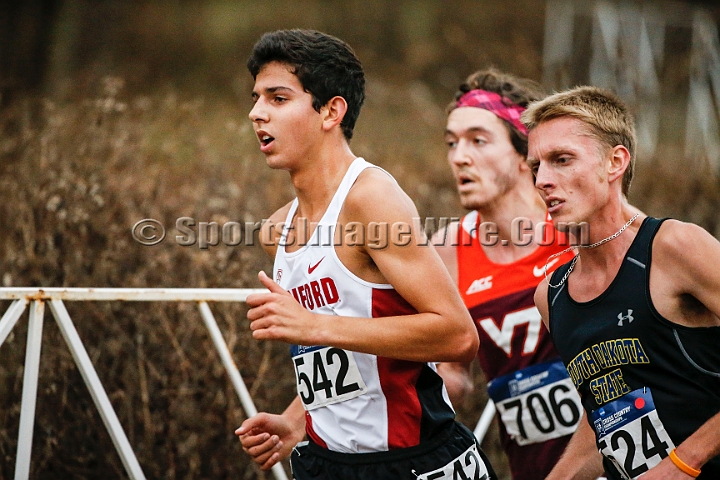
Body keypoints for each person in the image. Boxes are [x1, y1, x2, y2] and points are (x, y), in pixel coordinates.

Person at [234, 29, 497, 480]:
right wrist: (295, 421)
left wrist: (315, 325)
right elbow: (344, 358)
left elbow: (457, 336)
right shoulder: (277, 230)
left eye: (278, 98)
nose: (258, 113)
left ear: (331, 111)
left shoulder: (371, 200)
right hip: (327, 463)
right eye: (256, 98)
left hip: (414, 460)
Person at [524, 85, 720, 479]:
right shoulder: (551, 294)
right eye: (535, 166)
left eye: (561, 160)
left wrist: (684, 463)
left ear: (615, 163)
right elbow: (607, 409)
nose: (543, 180)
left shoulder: (674, 247)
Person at [433, 68, 583, 480]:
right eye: (452, 143)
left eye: (478, 141)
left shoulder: (577, 225)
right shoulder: (448, 248)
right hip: (533, 467)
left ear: (523, 153)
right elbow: (454, 377)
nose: (459, 156)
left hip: (622, 457)